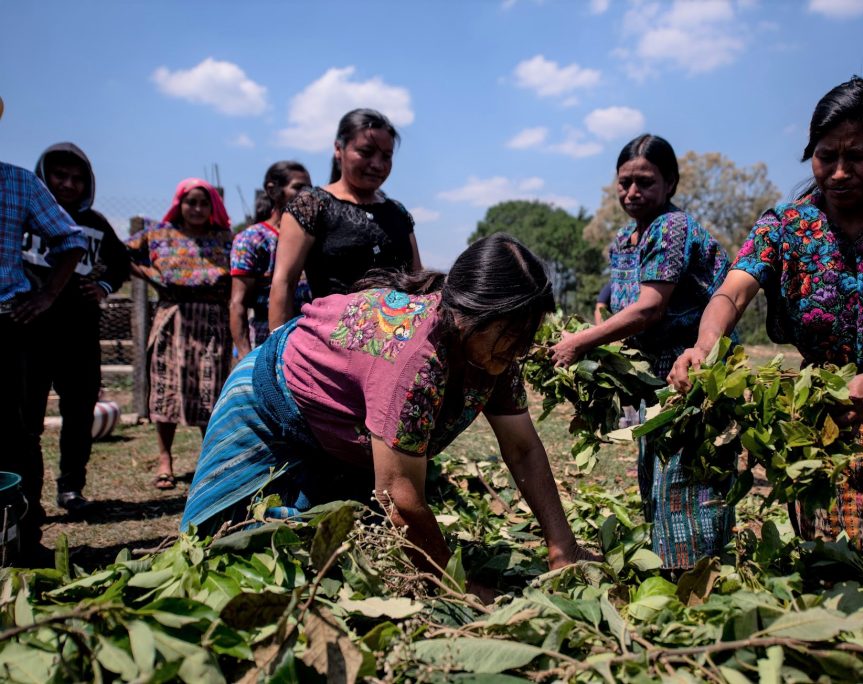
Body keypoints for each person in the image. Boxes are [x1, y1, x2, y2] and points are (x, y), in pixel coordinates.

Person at [667, 77, 863, 574]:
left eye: (858, 156)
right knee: (837, 564)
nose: (838, 172)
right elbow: (733, 290)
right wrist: (705, 344)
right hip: (828, 414)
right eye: (824, 154)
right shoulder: (786, 225)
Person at [182, 234, 597, 591]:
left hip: (341, 431)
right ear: (468, 315)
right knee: (232, 550)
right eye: (509, 333)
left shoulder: (497, 354)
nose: (519, 348)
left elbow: (523, 449)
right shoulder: (417, 359)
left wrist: (563, 549)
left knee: (336, 551)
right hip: (268, 405)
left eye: (527, 334)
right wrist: (457, 587)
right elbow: (397, 494)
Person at [550, 134, 733, 571]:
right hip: (653, 374)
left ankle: (700, 573)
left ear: (669, 183)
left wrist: (580, 343)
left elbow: (650, 307)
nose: (633, 192)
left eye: (645, 182)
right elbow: (625, 307)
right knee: (654, 470)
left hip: (694, 366)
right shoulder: (624, 238)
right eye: (624, 182)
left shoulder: (672, 228)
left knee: (688, 474)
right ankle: (668, 568)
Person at [20, 143, 131, 516]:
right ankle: (25, 495)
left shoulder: (95, 224)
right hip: (28, 331)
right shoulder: (22, 216)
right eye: (59, 175)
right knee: (25, 416)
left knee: (80, 411)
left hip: (80, 333)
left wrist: (101, 287)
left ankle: (71, 488)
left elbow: (120, 264)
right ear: (42, 175)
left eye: (77, 178)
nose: (68, 184)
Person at [0, 98, 88, 562]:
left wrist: (47, 295)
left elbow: (72, 238)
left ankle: (22, 539)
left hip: (8, 323)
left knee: (17, 437)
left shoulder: (17, 181)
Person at [269, 108, 422, 329]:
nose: (377, 164)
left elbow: (417, 282)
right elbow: (284, 283)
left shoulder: (397, 212)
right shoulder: (311, 205)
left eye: (386, 157)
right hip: (332, 346)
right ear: (338, 149)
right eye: (366, 152)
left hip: (396, 344)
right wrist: (276, 353)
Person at [124, 178, 232, 490]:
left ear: (212, 207)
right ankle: (165, 459)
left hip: (213, 322)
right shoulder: (159, 234)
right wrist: (152, 276)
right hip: (173, 320)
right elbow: (121, 253)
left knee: (211, 391)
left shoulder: (225, 239)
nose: (197, 209)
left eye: (203, 202)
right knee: (166, 389)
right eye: (190, 202)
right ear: (179, 204)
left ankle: (210, 460)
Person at [230, 161, 311, 357]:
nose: (307, 194)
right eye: (298, 187)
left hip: (308, 338)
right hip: (265, 339)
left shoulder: (313, 238)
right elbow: (237, 303)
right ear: (273, 190)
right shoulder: (253, 239)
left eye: (310, 188)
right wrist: (245, 356)